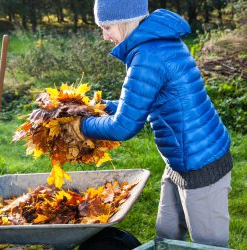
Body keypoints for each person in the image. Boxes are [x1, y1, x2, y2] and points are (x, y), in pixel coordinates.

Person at [77, 0, 233, 247]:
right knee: (166, 235)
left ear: (124, 21)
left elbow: (123, 126)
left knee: (208, 245)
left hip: (201, 164)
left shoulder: (147, 56)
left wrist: (81, 125)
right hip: (180, 161)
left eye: (107, 27)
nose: (105, 36)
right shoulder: (157, 42)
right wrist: (99, 106)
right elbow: (143, 103)